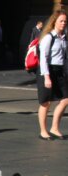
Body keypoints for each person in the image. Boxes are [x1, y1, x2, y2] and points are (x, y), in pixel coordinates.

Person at [36, 10, 68, 141]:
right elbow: (43, 58)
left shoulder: (64, 37)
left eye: (65, 21)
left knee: (65, 99)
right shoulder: (49, 37)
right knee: (46, 102)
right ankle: (43, 131)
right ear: (54, 21)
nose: (63, 23)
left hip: (60, 70)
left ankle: (54, 128)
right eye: (61, 21)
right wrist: (47, 77)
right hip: (47, 70)